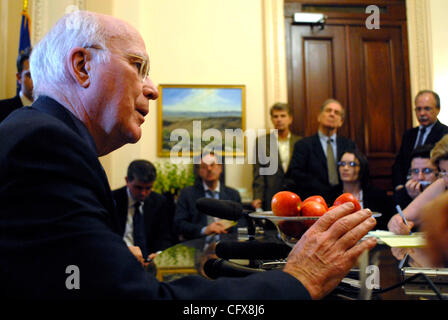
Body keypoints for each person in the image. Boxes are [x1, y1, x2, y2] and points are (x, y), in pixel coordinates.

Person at [0, 11, 377, 300]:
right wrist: (296, 281)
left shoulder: (40, 134)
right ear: (83, 66)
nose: (153, 89)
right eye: (139, 66)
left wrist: (109, 260)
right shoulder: (45, 146)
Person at [286, 99, 357, 203]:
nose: (332, 114)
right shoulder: (303, 145)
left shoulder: (349, 145)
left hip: (343, 201)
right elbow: (295, 175)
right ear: (319, 116)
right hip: (312, 203)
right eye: (328, 110)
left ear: (341, 122)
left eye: (336, 112)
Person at [112, 159, 174, 264]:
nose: (143, 193)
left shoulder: (159, 202)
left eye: (148, 188)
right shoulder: (112, 199)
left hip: (149, 262)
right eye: (138, 187)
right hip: (119, 258)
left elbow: (165, 236)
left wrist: (159, 254)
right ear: (127, 180)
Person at [388, 134, 448, 234]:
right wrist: (396, 223)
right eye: (443, 172)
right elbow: (400, 218)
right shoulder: (442, 183)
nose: (446, 179)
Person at [174, 152, 242, 240]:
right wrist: (205, 229)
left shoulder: (233, 194)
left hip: (227, 245)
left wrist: (229, 227)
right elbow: (179, 224)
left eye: (212, 165)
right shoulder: (187, 194)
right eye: (204, 166)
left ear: (220, 167)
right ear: (199, 171)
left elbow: (241, 222)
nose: (209, 169)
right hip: (197, 247)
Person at [392, 90, 448, 195]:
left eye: (427, 108)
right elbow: (399, 164)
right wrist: (399, 186)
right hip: (408, 189)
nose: (422, 113)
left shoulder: (446, 134)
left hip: (434, 192)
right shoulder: (409, 134)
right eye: (418, 109)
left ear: (438, 109)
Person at [252, 103, 301, 211]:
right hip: (271, 197)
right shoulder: (262, 142)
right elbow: (258, 173)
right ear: (272, 119)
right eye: (275, 116)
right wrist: (257, 197)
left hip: (296, 197)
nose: (279, 119)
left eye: (283, 116)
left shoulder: (300, 142)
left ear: (290, 119)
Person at [335, 150, 394, 230]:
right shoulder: (331, 195)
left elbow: (386, 225)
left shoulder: (377, 196)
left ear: (362, 168)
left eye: (352, 164)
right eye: (342, 164)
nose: (345, 168)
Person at [393, 144, 438, 210]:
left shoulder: (444, 195)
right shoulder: (401, 196)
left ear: (439, 172)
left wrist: (420, 200)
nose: (420, 177)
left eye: (427, 171)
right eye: (415, 171)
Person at [0, 47, 34, 123]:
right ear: (19, 77)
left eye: (38, 75)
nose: (35, 81)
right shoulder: (2, 109)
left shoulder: (50, 110)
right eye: (30, 75)